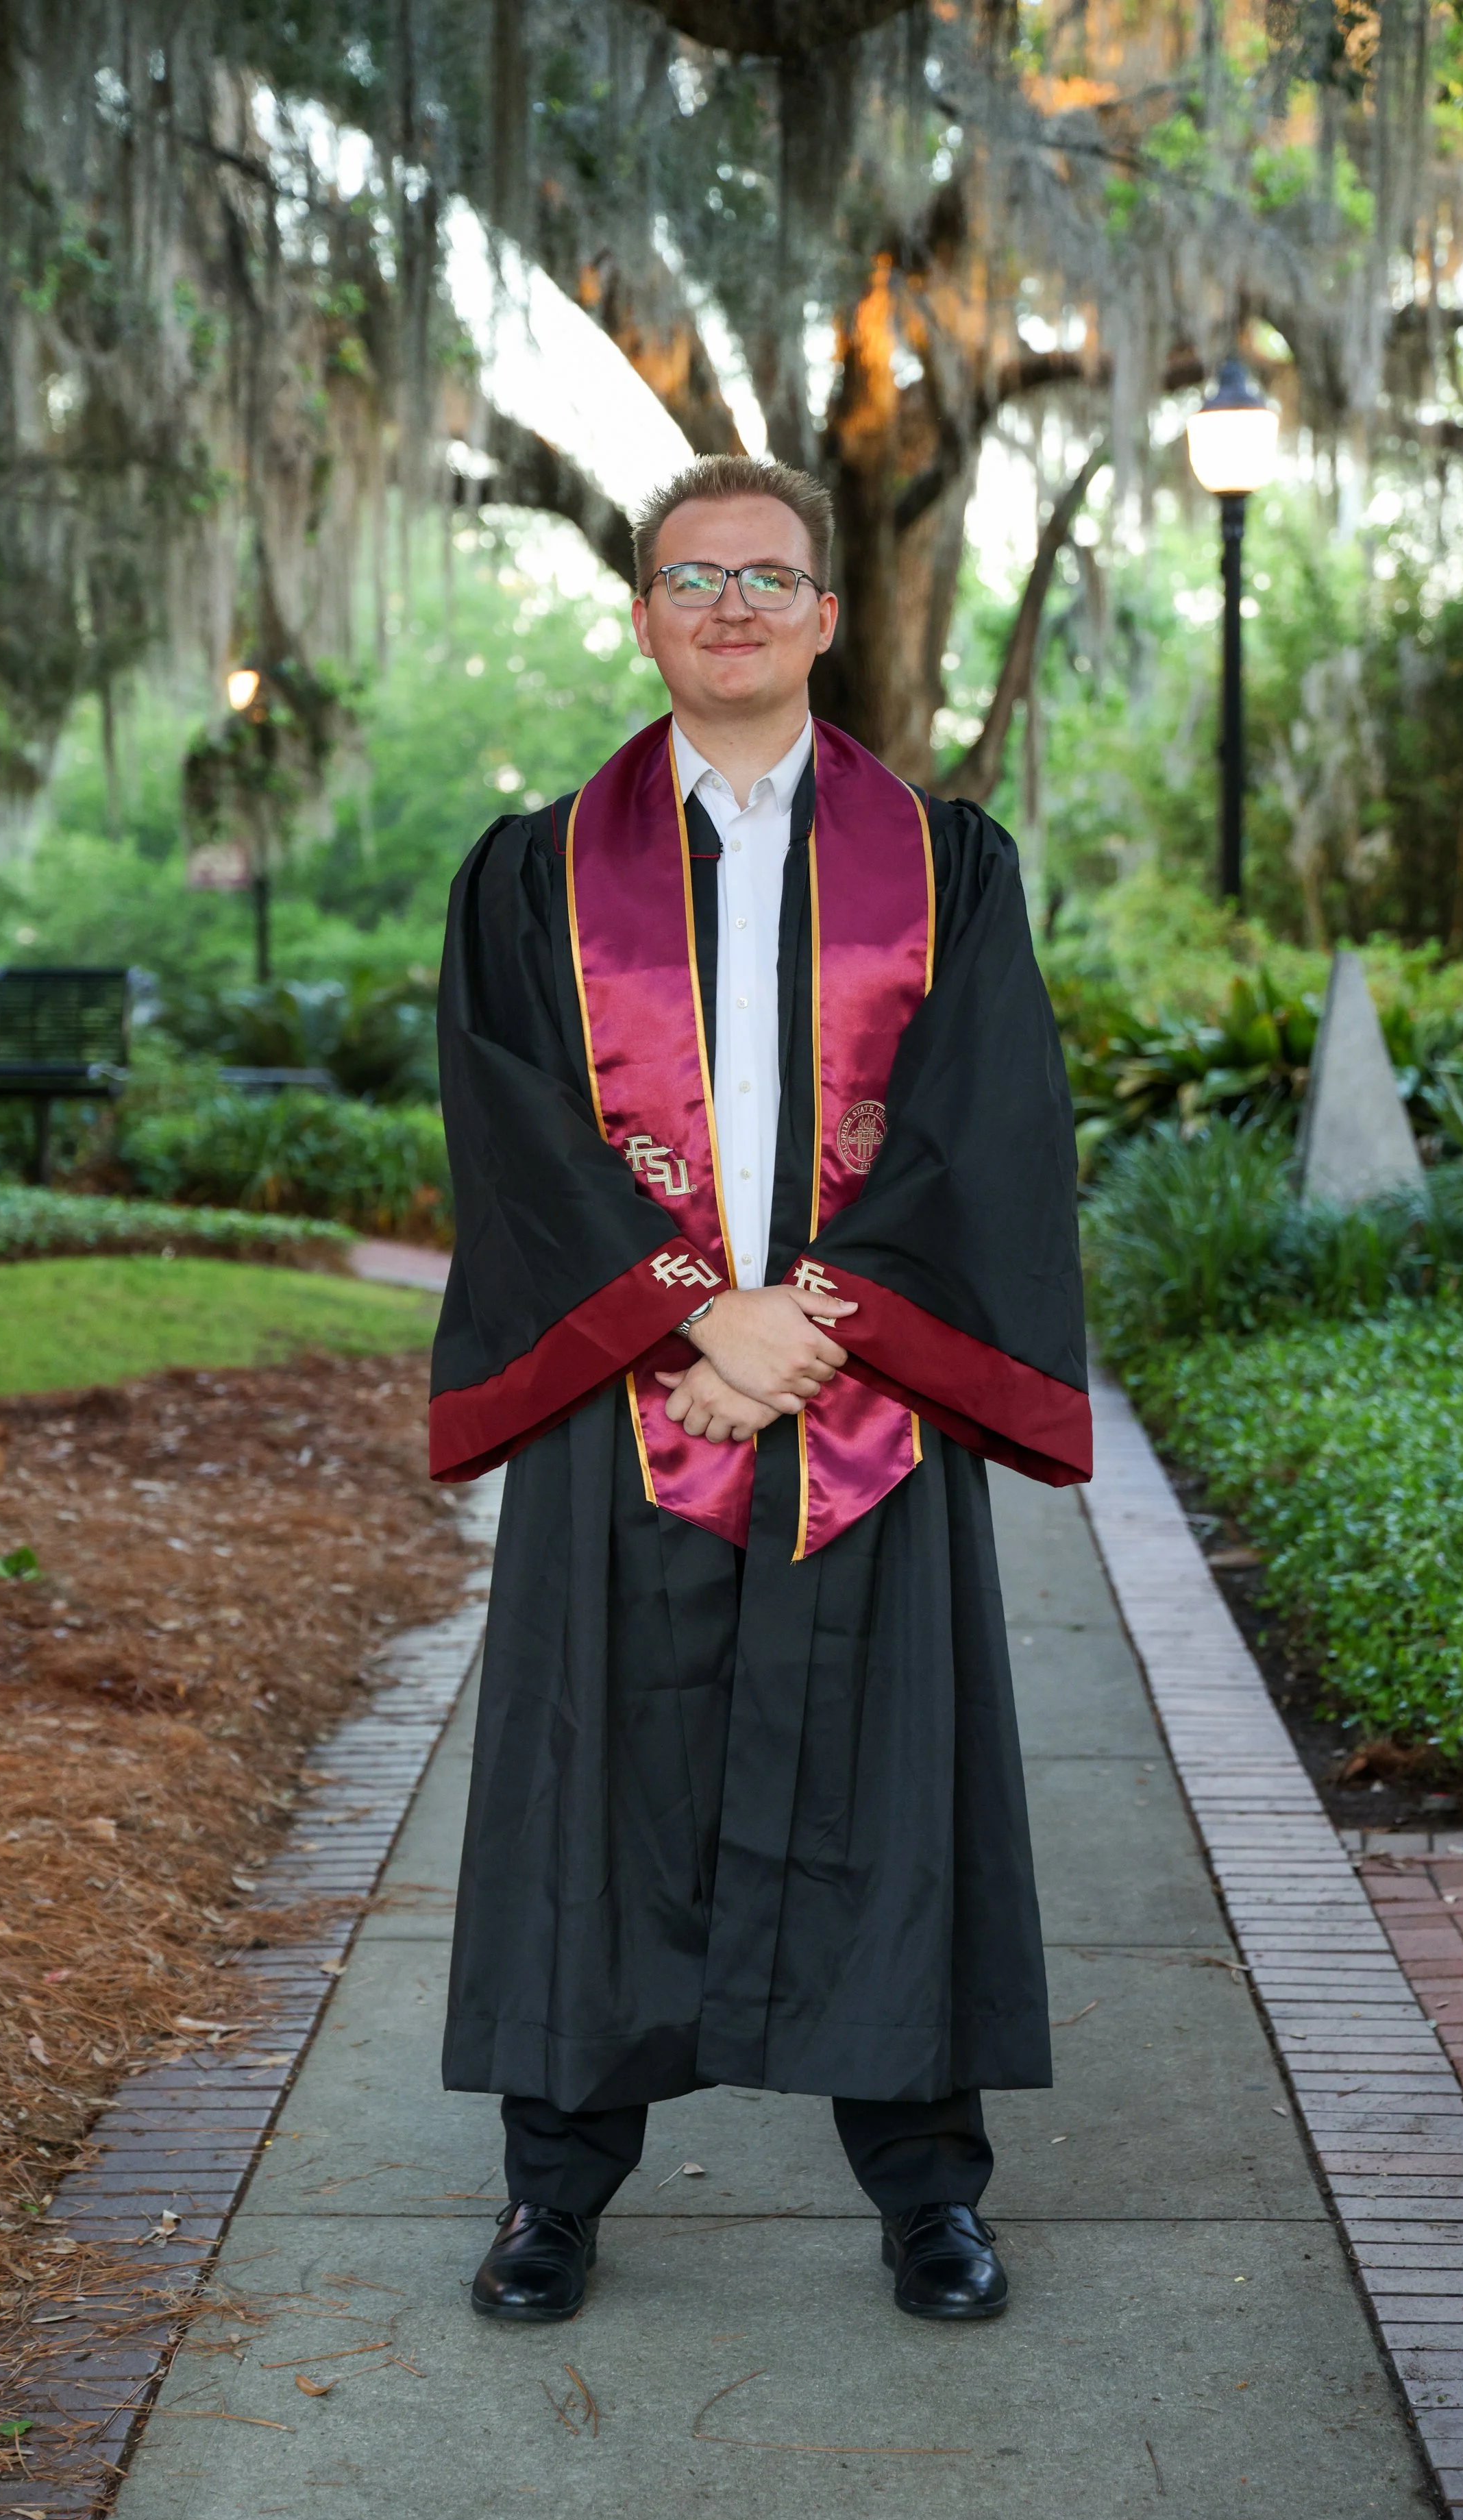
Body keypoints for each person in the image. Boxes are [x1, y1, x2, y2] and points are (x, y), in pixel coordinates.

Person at [430, 454, 1090, 2326]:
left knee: (896, 1778)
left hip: (853, 1395)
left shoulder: (947, 863)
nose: (730, 605)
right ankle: (553, 2190)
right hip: (630, 1400)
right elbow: (514, 1131)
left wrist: (820, 1315)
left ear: (820, 614)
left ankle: (927, 2192)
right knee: (591, 1785)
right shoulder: (530, 873)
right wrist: (684, 1320)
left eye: (767, 576)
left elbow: (986, 1116)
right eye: (691, 575)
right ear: (643, 614)